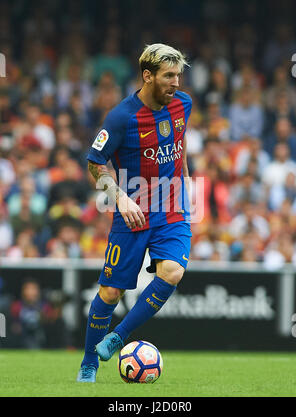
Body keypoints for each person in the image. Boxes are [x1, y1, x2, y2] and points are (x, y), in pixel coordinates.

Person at [77, 43, 192, 382]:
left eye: (178, 75)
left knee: (172, 271)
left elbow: (180, 145)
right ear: (147, 76)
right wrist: (119, 198)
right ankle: (88, 362)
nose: (176, 83)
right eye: (168, 76)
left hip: (172, 208)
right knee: (111, 293)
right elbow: (94, 165)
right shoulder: (121, 117)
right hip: (133, 213)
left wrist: (187, 187)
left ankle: (118, 336)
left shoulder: (183, 104)